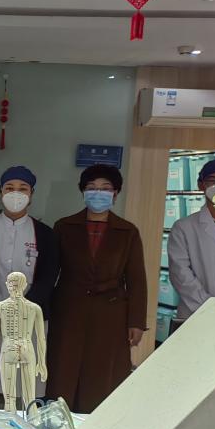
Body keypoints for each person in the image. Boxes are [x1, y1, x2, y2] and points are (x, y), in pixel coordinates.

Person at [47, 164, 147, 413]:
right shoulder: (64, 226)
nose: (98, 193)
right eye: (92, 188)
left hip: (111, 313)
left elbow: (136, 279)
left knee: (103, 373)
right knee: (63, 370)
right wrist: (43, 313)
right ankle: (57, 423)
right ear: (83, 192)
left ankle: (97, 424)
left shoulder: (128, 231)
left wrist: (136, 321)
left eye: (105, 188)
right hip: (69, 310)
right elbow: (50, 273)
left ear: (115, 193)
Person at [0, 166, 59, 397]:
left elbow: (48, 276)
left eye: (23, 189)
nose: (16, 194)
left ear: (32, 194)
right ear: (0, 192)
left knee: (22, 383)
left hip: (29, 316)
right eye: (9, 188)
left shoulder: (45, 234)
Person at [168, 159, 215, 331]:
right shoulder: (184, 227)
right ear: (201, 185)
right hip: (196, 315)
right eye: (212, 180)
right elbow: (180, 274)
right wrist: (209, 308)